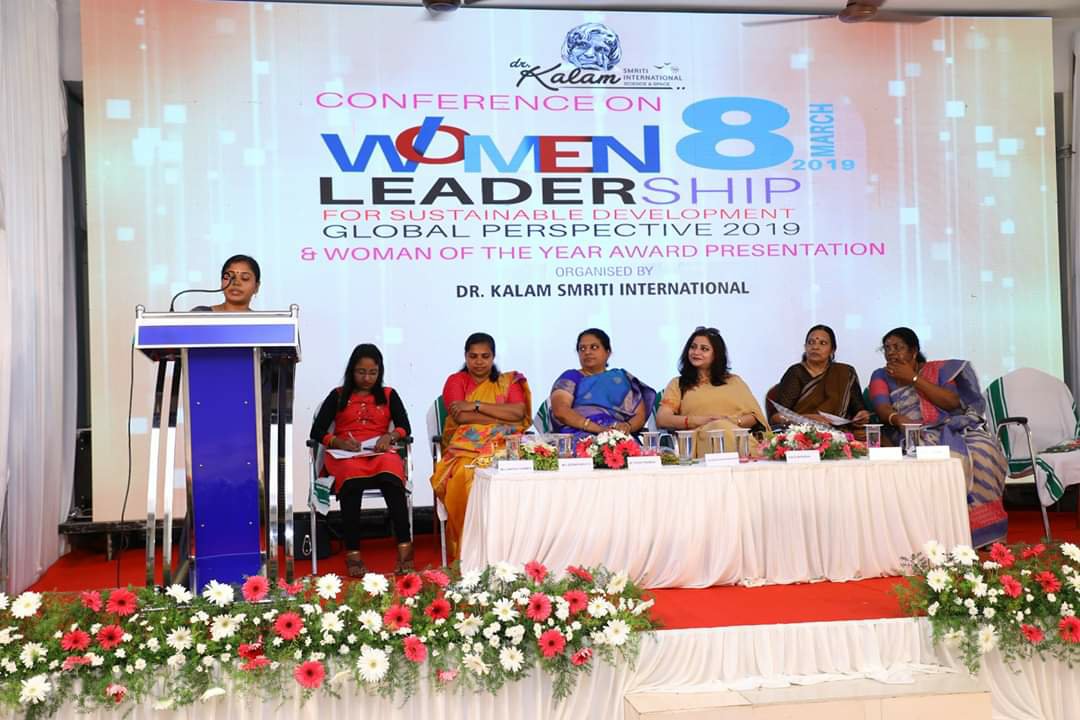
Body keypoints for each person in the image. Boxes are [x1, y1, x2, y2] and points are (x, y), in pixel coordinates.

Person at [868, 327, 1008, 547]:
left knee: (984, 449)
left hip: (953, 427)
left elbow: (952, 403)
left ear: (914, 351)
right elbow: (882, 408)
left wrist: (914, 378)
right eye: (887, 348)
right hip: (915, 433)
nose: (892, 353)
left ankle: (984, 531)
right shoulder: (880, 375)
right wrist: (898, 418)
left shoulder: (938, 371)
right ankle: (948, 531)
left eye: (898, 347)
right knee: (941, 456)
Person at [310, 344, 412, 576]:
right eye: (361, 372)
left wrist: (390, 436)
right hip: (346, 454)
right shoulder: (337, 395)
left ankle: (405, 550)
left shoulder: (389, 395)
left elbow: (405, 427)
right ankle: (353, 554)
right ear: (351, 371)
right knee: (351, 478)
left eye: (373, 373)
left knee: (392, 471)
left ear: (380, 372)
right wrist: (337, 442)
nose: (367, 378)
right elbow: (317, 431)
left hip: (379, 452)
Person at [430, 333, 532, 563]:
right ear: (465, 356)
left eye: (485, 356)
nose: (479, 362)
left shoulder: (508, 381)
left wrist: (475, 405)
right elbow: (462, 417)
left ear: (493, 357)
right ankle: (470, 551)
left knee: (516, 478)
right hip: (464, 449)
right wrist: (502, 418)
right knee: (464, 477)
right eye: (473, 356)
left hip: (504, 447)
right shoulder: (456, 381)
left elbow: (518, 413)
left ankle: (511, 551)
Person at [655, 327, 767, 456]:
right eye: (693, 347)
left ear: (716, 355)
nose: (696, 352)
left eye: (704, 349)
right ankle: (755, 456)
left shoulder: (734, 381)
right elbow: (662, 419)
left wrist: (733, 421)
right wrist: (701, 421)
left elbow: (755, 417)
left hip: (736, 434)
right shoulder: (678, 383)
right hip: (700, 440)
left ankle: (755, 457)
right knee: (719, 427)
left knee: (722, 426)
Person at [549, 328, 655, 439]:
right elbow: (560, 411)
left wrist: (627, 427)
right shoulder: (571, 376)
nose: (587, 352)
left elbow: (639, 415)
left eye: (594, 347)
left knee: (626, 447)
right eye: (582, 349)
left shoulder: (621, 379)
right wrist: (598, 429)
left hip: (617, 435)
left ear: (608, 352)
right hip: (579, 434)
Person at [770, 324, 870, 430]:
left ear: (832, 350)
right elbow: (776, 417)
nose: (815, 347)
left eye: (822, 343)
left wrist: (862, 416)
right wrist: (806, 418)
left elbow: (859, 410)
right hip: (802, 433)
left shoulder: (846, 372)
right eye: (811, 342)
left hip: (839, 434)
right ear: (805, 347)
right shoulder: (796, 372)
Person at [191, 254, 260, 311]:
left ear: (256, 287)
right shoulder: (200, 314)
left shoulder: (261, 321)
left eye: (245, 278)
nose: (236, 283)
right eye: (230, 276)